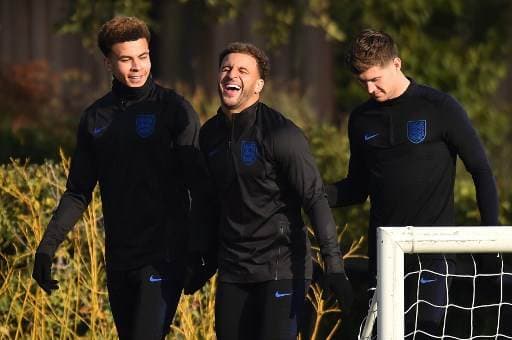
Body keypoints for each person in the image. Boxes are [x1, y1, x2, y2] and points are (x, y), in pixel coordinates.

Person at [32, 16, 212, 340]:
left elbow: (199, 186)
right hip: (118, 260)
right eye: (126, 59)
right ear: (108, 62)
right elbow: (77, 192)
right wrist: (47, 247)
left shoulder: (174, 110)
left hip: (164, 256)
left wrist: (202, 252)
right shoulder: (95, 118)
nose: (137, 67)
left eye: (142, 56)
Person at [326, 29, 499, 338]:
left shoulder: (439, 107)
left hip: (432, 254)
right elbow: (357, 188)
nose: (369, 88)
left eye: (376, 79)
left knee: (426, 334)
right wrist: (311, 193)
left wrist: (491, 244)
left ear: (396, 63)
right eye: (362, 81)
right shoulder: (361, 119)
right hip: (384, 256)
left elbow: (482, 171)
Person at [198, 42, 353, 340]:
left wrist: (334, 266)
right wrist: (200, 259)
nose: (232, 74)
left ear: (258, 85)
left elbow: (314, 198)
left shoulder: (281, 133)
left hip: (280, 269)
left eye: (243, 70)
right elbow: (208, 204)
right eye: (226, 68)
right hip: (233, 271)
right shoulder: (209, 135)